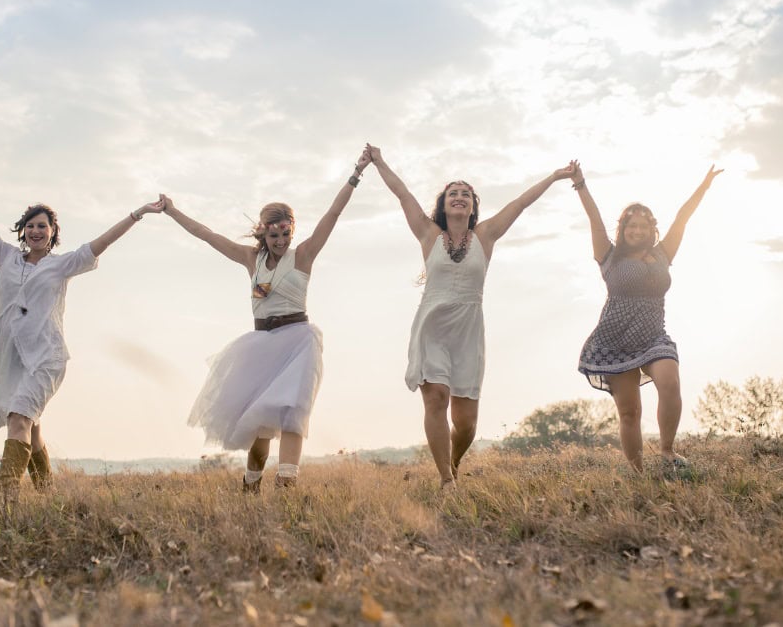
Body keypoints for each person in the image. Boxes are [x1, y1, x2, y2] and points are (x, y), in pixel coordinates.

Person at [0, 149, 164, 505]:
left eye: (42, 226)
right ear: (23, 230)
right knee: (32, 427)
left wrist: (137, 214)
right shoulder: (4, 256)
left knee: (19, 418)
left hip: (46, 356)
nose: (35, 230)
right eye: (30, 225)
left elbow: (103, 242)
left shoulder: (63, 265)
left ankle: (5, 501)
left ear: (52, 232)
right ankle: (48, 496)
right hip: (11, 357)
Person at [160, 148, 371, 491]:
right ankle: (251, 482)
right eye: (273, 235)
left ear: (291, 231)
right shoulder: (250, 259)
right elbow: (205, 233)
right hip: (261, 345)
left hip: (298, 340)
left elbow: (333, 213)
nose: (279, 240)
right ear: (263, 233)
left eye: (285, 234)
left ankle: (287, 480)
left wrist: (355, 174)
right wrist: (171, 211)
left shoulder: (303, 255)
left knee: (293, 412)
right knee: (259, 425)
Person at [366, 145, 575, 489]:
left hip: (468, 331)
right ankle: (447, 481)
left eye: (466, 194)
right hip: (432, 325)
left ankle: (454, 462)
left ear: (474, 206)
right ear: (444, 204)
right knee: (436, 398)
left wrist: (553, 177)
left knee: (466, 424)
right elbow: (402, 194)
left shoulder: (486, 235)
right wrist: (379, 161)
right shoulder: (428, 233)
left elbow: (520, 203)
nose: (459, 197)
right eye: (453, 193)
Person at [571, 161, 723, 472]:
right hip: (615, 339)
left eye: (643, 226)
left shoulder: (663, 254)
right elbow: (594, 219)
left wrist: (704, 187)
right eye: (631, 226)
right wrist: (581, 184)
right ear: (623, 231)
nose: (637, 231)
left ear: (652, 230)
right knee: (629, 413)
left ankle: (667, 453)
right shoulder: (609, 257)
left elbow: (682, 218)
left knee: (669, 380)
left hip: (654, 335)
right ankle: (638, 475)